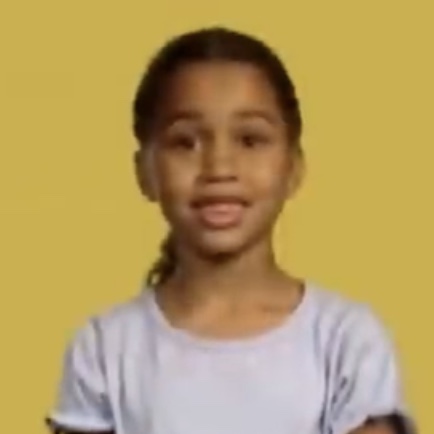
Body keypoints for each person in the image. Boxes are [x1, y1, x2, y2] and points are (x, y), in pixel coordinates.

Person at [46, 27, 416, 434]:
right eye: (185, 142)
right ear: (145, 171)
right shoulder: (104, 349)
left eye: (250, 140)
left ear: (293, 167)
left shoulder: (346, 340)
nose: (220, 168)